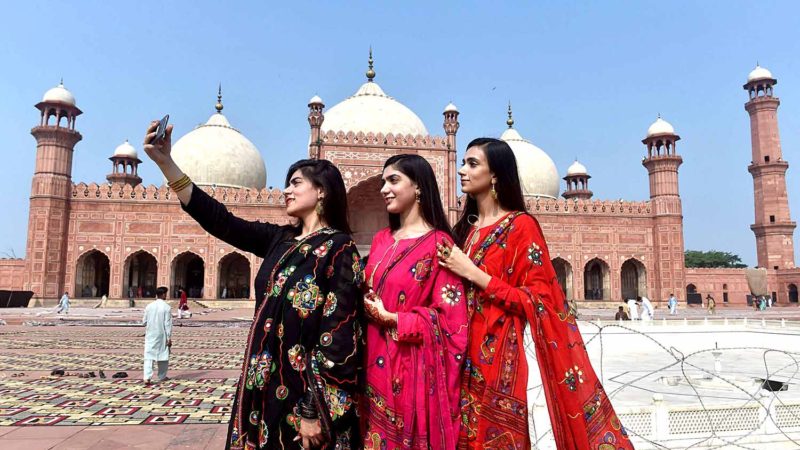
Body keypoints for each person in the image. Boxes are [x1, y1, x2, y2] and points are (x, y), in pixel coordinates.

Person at [144, 120, 363, 450]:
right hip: (261, 384)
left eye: (295, 183)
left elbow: (341, 334)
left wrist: (312, 409)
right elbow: (221, 220)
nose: (286, 190)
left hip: (305, 394)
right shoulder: (280, 239)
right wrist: (165, 162)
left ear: (321, 191)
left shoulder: (339, 248)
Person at [437, 138, 631, 449]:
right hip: (459, 357)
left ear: (496, 175)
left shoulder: (521, 226)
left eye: (472, 164)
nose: (462, 170)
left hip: (499, 360)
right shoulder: (466, 230)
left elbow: (539, 301)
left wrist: (474, 273)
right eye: (462, 162)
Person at [362, 154, 468, 450]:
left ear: (419, 187)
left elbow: (453, 323)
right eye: (383, 181)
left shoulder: (440, 245)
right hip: (370, 365)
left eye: (393, 180)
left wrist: (395, 318)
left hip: (409, 374)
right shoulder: (382, 238)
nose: (384, 188)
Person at [143, 286, 172, 384]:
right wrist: (169, 337)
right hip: (161, 334)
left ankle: (147, 377)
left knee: (149, 355)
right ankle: (162, 376)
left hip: (150, 334)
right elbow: (167, 324)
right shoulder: (166, 307)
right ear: (163, 294)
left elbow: (144, 321)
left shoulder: (149, 306)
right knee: (163, 355)